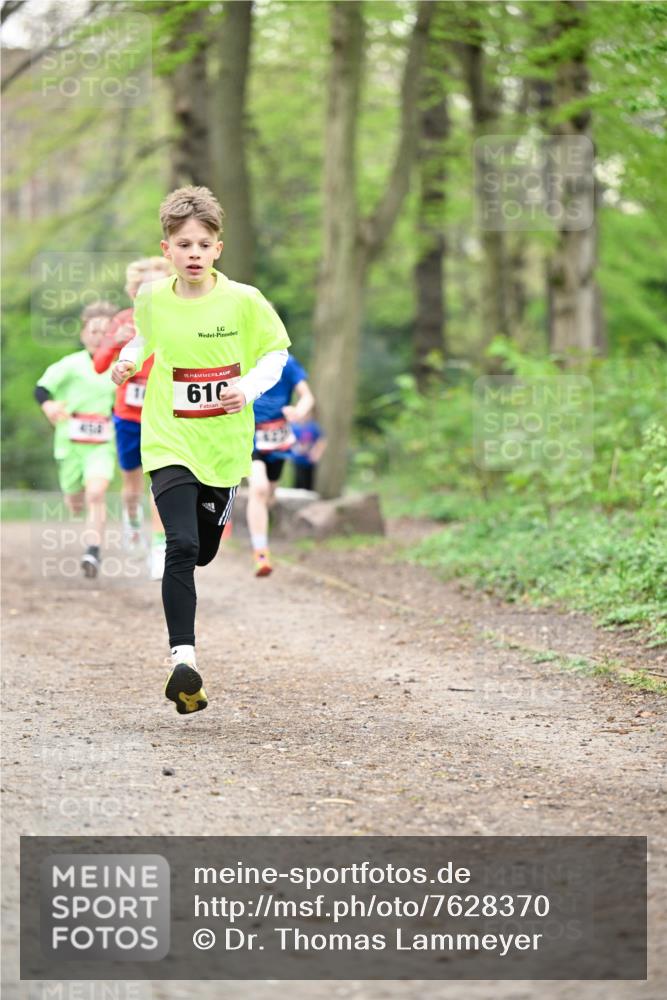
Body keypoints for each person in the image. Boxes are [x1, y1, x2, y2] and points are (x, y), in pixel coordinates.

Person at [111, 185, 290, 716]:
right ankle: (183, 662)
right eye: (183, 244)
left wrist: (248, 389)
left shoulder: (244, 300)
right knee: (182, 545)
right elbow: (144, 339)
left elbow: (276, 354)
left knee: (204, 549)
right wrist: (128, 360)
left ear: (218, 249)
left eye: (203, 245)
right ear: (166, 248)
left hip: (224, 445)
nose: (193, 253)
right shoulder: (152, 298)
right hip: (167, 437)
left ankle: (184, 646)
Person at [94, 256, 172, 580]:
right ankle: (132, 520)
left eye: (159, 286)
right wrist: (116, 341)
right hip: (128, 415)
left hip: (165, 414)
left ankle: (159, 549)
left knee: (161, 482)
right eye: (145, 287)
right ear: (133, 291)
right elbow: (99, 364)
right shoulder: (123, 321)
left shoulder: (177, 319)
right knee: (132, 482)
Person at [35, 301, 117, 579]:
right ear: (83, 334)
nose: (98, 337)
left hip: (102, 445)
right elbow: (41, 389)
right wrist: (49, 406)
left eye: (105, 332)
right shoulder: (71, 365)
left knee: (96, 493)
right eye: (93, 331)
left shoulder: (119, 367)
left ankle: (92, 551)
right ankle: (75, 499)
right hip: (69, 443)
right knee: (75, 502)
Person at [247, 353, 314, 576]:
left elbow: (307, 396)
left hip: (277, 439)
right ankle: (261, 554)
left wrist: (298, 411)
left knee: (269, 495)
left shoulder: (286, 362)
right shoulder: (242, 355)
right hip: (249, 436)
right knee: (259, 489)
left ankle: (263, 519)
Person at [290, 416, 327, 492]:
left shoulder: (313, 426)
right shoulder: (294, 427)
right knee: (298, 483)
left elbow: (322, 440)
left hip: (310, 461)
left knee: (308, 484)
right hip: (298, 460)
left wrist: (317, 454)